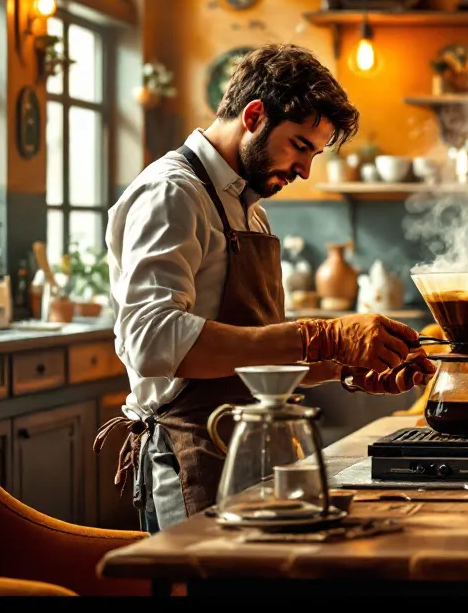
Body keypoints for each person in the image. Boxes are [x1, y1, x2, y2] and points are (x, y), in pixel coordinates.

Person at [93, 43, 435, 533]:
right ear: (254, 116)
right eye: (300, 146)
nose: (305, 170)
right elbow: (152, 341)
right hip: (191, 455)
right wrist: (322, 335)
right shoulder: (172, 192)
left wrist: (348, 366)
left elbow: (253, 353)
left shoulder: (249, 210)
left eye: (314, 154)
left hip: (250, 446)